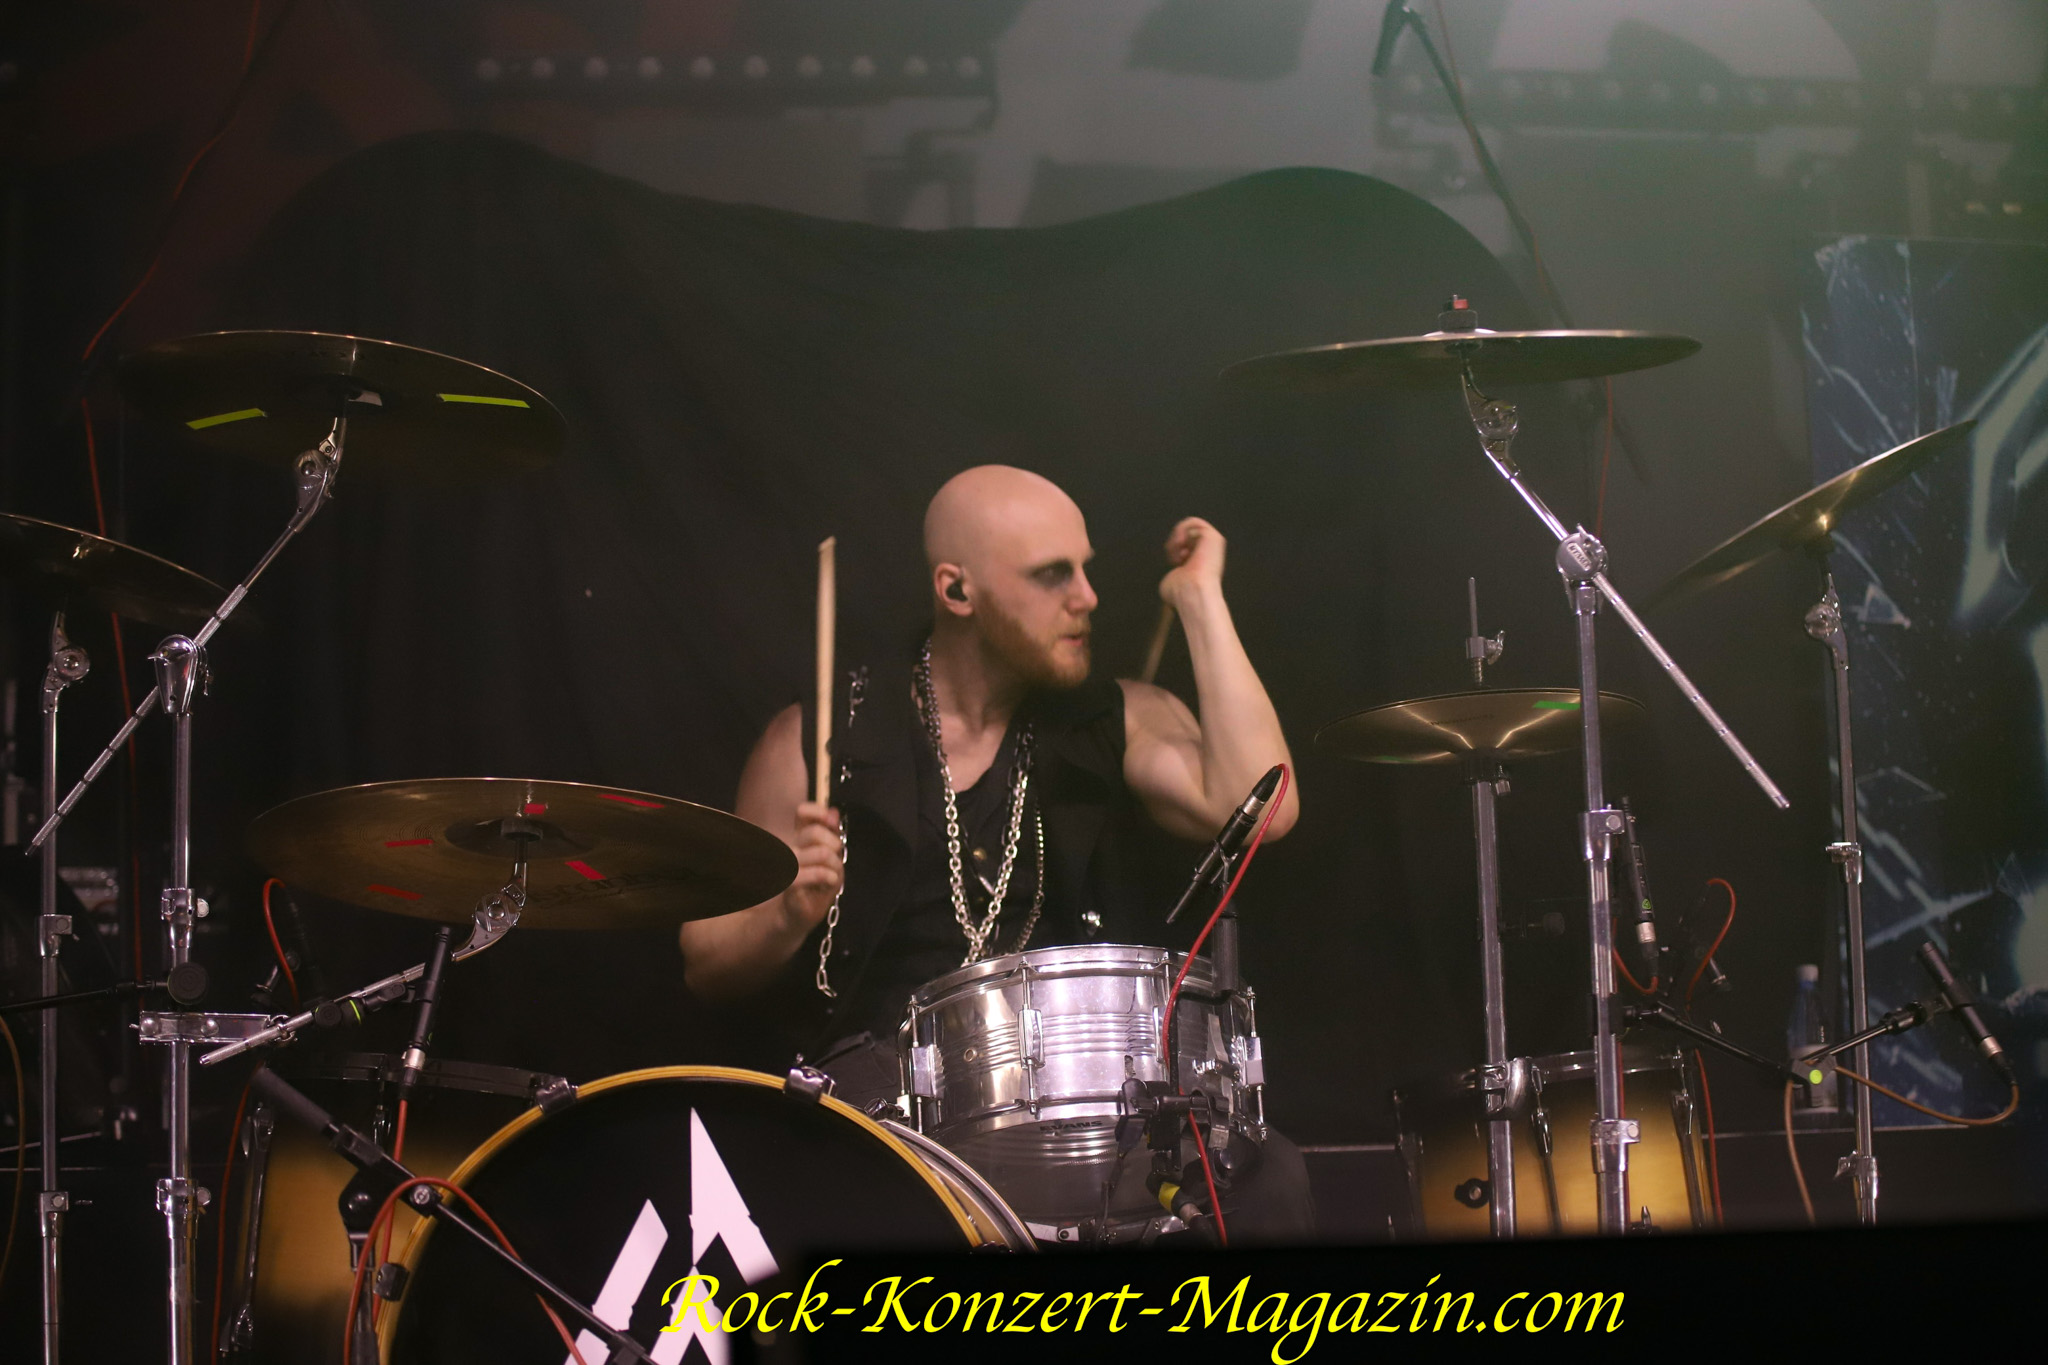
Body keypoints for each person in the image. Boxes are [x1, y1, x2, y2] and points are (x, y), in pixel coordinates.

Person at [680, 464, 1310, 1240]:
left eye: (1085, 569)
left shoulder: (1109, 717)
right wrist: (785, 913)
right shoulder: (822, 738)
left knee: (1268, 1176)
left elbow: (1264, 808)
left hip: (1079, 1103)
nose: (1088, 596)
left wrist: (1200, 599)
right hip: (879, 1114)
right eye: (1052, 575)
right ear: (956, 591)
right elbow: (705, 962)